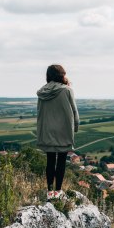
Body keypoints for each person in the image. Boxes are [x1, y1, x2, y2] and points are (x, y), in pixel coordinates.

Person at [36, 64, 79, 201]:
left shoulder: (42, 92)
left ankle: (49, 192)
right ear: (61, 75)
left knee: (50, 161)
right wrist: (75, 128)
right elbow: (74, 112)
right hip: (64, 130)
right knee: (61, 161)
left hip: (47, 130)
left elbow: (39, 113)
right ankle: (58, 191)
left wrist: (41, 130)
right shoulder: (67, 90)